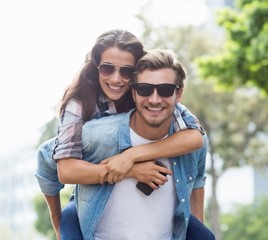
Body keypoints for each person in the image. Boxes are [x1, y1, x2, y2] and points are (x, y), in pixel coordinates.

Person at [35, 29, 205, 240]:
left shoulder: (155, 96)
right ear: (96, 67)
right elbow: (61, 166)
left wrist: (130, 156)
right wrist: (129, 170)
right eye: (107, 69)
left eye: (126, 71)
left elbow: (196, 138)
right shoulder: (80, 103)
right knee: (69, 222)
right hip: (89, 193)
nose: (116, 79)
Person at [71, 49, 214, 239]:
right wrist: (59, 224)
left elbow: (197, 180)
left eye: (165, 90)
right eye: (145, 89)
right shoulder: (97, 133)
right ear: (134, 93)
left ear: (178, 94)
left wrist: (131, 156)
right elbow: (49, 163)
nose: (155, 99)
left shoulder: (194, 140)